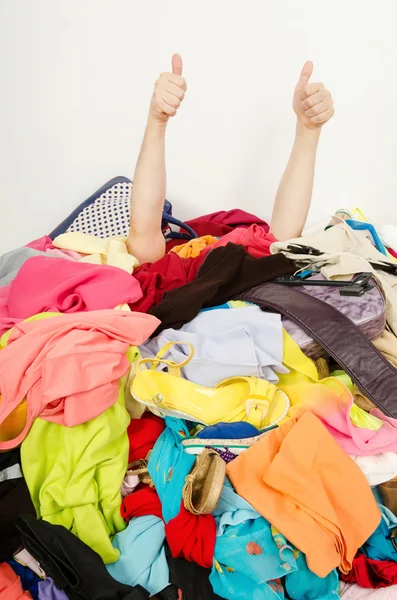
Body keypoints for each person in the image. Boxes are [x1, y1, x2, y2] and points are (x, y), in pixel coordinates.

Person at [127, 54, 335, 264]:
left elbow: (279, 242)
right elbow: (143, 238)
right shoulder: (164, 275)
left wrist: (308, 130)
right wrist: (156, 121)